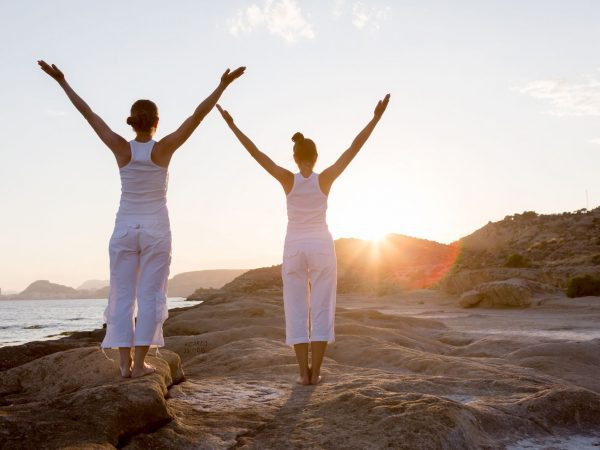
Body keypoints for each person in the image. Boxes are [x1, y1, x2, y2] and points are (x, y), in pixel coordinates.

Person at [38, 60, 245, 378]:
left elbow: (89, 115)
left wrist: (62, 81)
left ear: (133, 122)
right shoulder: (163, 149)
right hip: (156, 230)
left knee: (122, 294)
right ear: (156, 122)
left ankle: (123, 366)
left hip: (124, 229)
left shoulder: (121, 147)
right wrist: (222, 85)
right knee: (150, 296)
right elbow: (197, 117)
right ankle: (139, 364)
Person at [216, 94, 390, 385]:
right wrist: (375, 118)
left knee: (295, 307)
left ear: (295, 158)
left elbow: (256, 153)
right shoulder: (325, 179)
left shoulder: (288, 179)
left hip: (295, 246)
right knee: (322, 307)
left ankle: (302, 374)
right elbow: (353, 148)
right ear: (316, 157)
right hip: (321, 244)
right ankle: (316, 373)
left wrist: (232, 125)